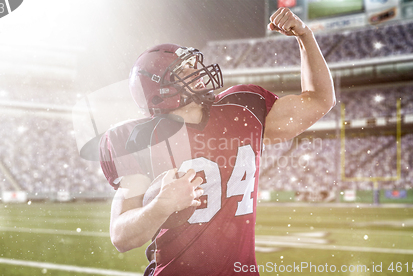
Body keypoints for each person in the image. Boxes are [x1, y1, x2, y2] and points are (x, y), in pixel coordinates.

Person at [99, 8, 335, 275]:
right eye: (185, 70)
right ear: (160, 90)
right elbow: (121, 236)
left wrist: (305, 36)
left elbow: (320, 100)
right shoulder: (138, 140)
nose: (198, 72)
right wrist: (162, 205)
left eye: (193, 64)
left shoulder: (243, 108)